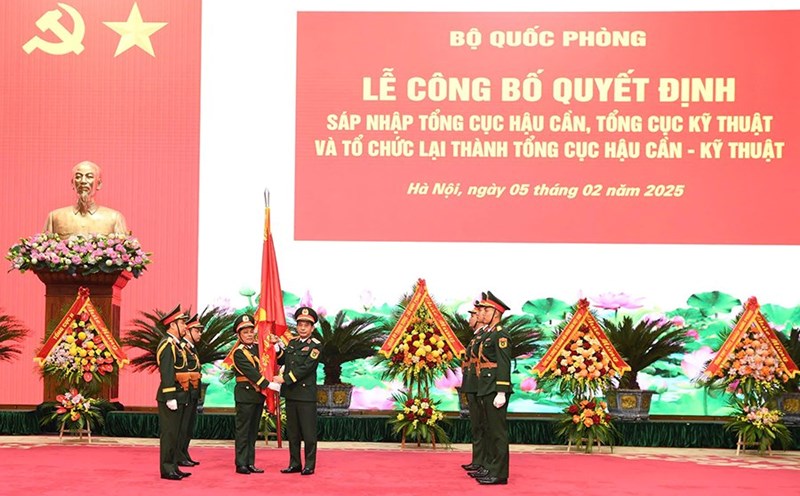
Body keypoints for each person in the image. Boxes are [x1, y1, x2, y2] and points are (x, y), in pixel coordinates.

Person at [271, 306, 321, 476]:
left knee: (308, 433)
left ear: (312, 328)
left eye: (306, 325)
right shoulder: (292, 343)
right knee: (293, 433)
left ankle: (309, 465)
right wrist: (277, 347)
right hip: (291, 394)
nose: (302, 327)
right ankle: (295, 463)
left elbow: (306, 368)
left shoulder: (315, 346)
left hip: (306, 395)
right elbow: (284, 359)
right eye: (300, 324)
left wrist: (284, 379)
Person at [473, 291, 511, 486]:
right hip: (486, 386)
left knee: (498, 432)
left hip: (495, 387)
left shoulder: (501, 334)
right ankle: (490, 468)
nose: (483, 313)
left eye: (486, 309)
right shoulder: (490, 333)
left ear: (496, 312)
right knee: (489, 430)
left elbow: (504, 363)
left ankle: (499, 474)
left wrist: (502, 391)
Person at [43, 160, 128, 237]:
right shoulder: (55, 217)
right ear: (73, 183)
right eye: (78, 176)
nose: (83, 181)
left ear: (98, 184)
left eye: (89, 176)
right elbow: (44, 251)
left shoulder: (114, 218)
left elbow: (125, 251)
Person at [231, 314, 268, 475]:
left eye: (250, 331)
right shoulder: (239, 352)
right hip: (245, 395)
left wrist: (276, 346)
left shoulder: (257, 347)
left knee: (252, 431)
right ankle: (241, 464)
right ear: (239, 335)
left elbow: (271, 360)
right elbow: (251, 372)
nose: (249, 334)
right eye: (245, 332)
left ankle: (250, 462)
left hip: (257, 395)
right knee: (243, 431)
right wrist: (268, 384)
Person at [156, 305, 190, 481]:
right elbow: (167, 371)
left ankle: (174, 466)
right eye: (182, 323)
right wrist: (170, 396)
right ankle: (167, 468)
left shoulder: (177, 345)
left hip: (180, 395)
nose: (185, 327)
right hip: (171, 396)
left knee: (176, 433)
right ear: (172, 325)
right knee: (169, 434)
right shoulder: (167, 344)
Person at [460, 298, 488, 476]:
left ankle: (483, 462)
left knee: (482, 426)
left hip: (479, 387)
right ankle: (478, 461)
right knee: (476, 426)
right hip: (471, 385)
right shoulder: (476, 338)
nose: (470, 319)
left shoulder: (484, 337)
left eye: (473, 315)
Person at [176, 314, 203, 468]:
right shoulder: (182, 348)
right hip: (186, 391)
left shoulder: (191, 349)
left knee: (189, 425)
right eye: (197, 331)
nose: (200, 334)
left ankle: (184, 452)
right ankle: (179, 455)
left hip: (193, 391)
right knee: (183, 425)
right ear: (188, 331)